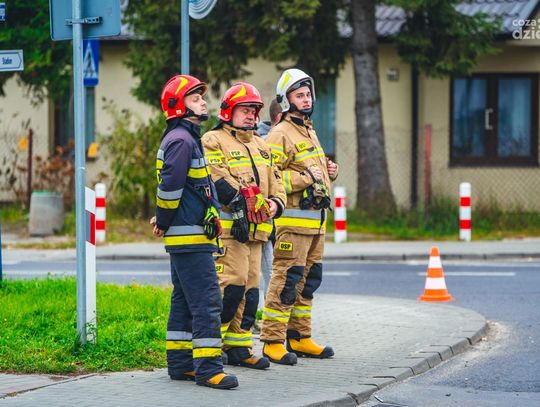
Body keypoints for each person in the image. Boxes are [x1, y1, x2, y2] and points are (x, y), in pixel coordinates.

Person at [151, 74, 238, 389]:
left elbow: (192, 188)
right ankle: (209, 369)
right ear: (178, 105)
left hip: (189, 235)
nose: (203, 102)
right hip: (190, 237)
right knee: (207, 302)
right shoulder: (182, 140)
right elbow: (169, 188)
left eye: (202, 97)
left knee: (184, 302)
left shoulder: (185, 138)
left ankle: (181, 365)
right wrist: (163, 219)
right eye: (196, 98)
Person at [202, 82, 286, 370]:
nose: (251, 115)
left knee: (251, 293)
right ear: (228, 111)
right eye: (245, 110)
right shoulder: (213, 140)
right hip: (229, 232)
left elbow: (276, 180)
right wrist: (242, 200)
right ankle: (210, 347)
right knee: (230, 289)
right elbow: (216, 176)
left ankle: (239, 347)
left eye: (254, 110)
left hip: (257, 232)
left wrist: (275, 203)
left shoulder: (262, 145)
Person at [260, 68, 339, 365]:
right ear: (286, 99)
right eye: (299, 95)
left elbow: (315, 173)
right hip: (292, 225)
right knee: (285, 281)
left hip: (315, 224)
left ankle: (300, 337)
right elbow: (269, 178)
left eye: (308, 95)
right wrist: (306, 177)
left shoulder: (308, 130)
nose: (306, 100)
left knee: (308, 283)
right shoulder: (280, 133)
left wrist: (331, 172)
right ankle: (272, 341)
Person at [256, 99, 282, 301]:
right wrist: (307, 176)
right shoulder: (267, 143)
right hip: (266, 220)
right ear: (280, 118)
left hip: (273, 217)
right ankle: (266, 312)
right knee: (270, 273)